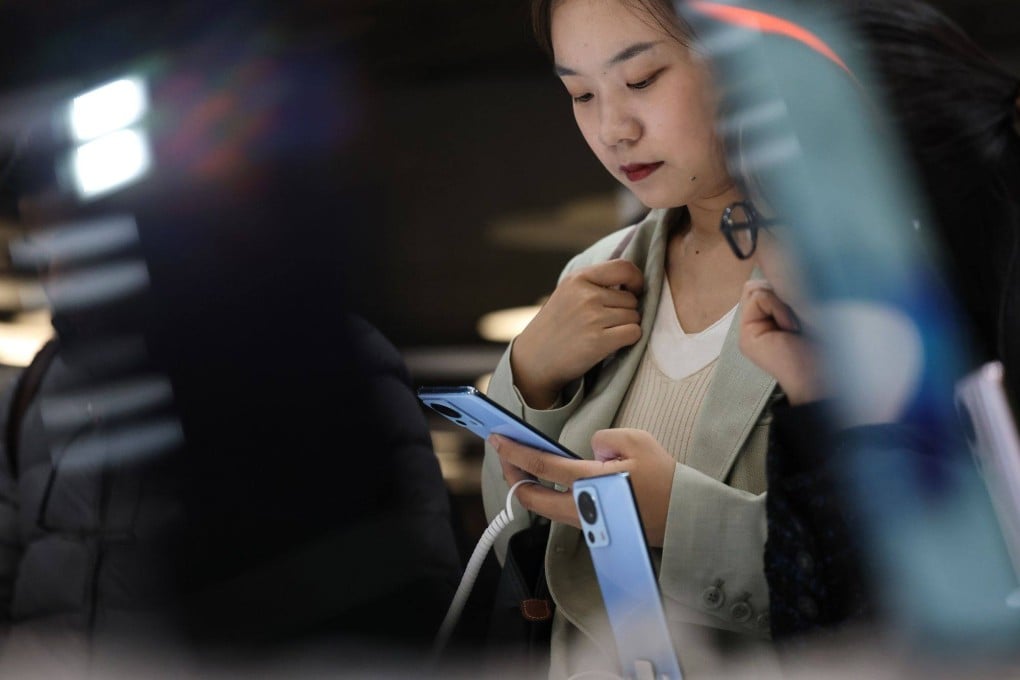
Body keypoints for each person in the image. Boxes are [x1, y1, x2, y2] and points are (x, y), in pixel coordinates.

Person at [481, 0, 781, 676]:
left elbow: (903, 566)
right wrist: (531, 376)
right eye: (580, 94)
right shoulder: (594, 275)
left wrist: (682, 519)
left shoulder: (852, 278)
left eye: (642, 79)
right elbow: (513, 546)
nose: (612, 128)